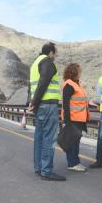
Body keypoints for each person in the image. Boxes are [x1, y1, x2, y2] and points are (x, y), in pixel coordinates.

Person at [28, 42, 65, 181]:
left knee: (39, 137)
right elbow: (43, 82)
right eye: (56, 52)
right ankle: (47, 171)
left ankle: (38, 168)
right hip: (48, 105)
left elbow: (31, 86)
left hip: (40, 106)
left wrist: (32, 103)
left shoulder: (34, 64)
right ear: (50, 52)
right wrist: (34, 102)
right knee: (49, 139)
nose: (57, 55)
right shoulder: (47, 62)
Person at [61, 63, 89, 172]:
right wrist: (67, 121)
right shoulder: (69, 85)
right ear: (74, 72)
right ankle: (73, 163)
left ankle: (74, 163)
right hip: (73, 119)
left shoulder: (76, 84)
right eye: (79, 71)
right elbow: (66, 104)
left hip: (79, 119)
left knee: (74, 142)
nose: (80, 73)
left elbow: (80, 100)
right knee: (73, 142)